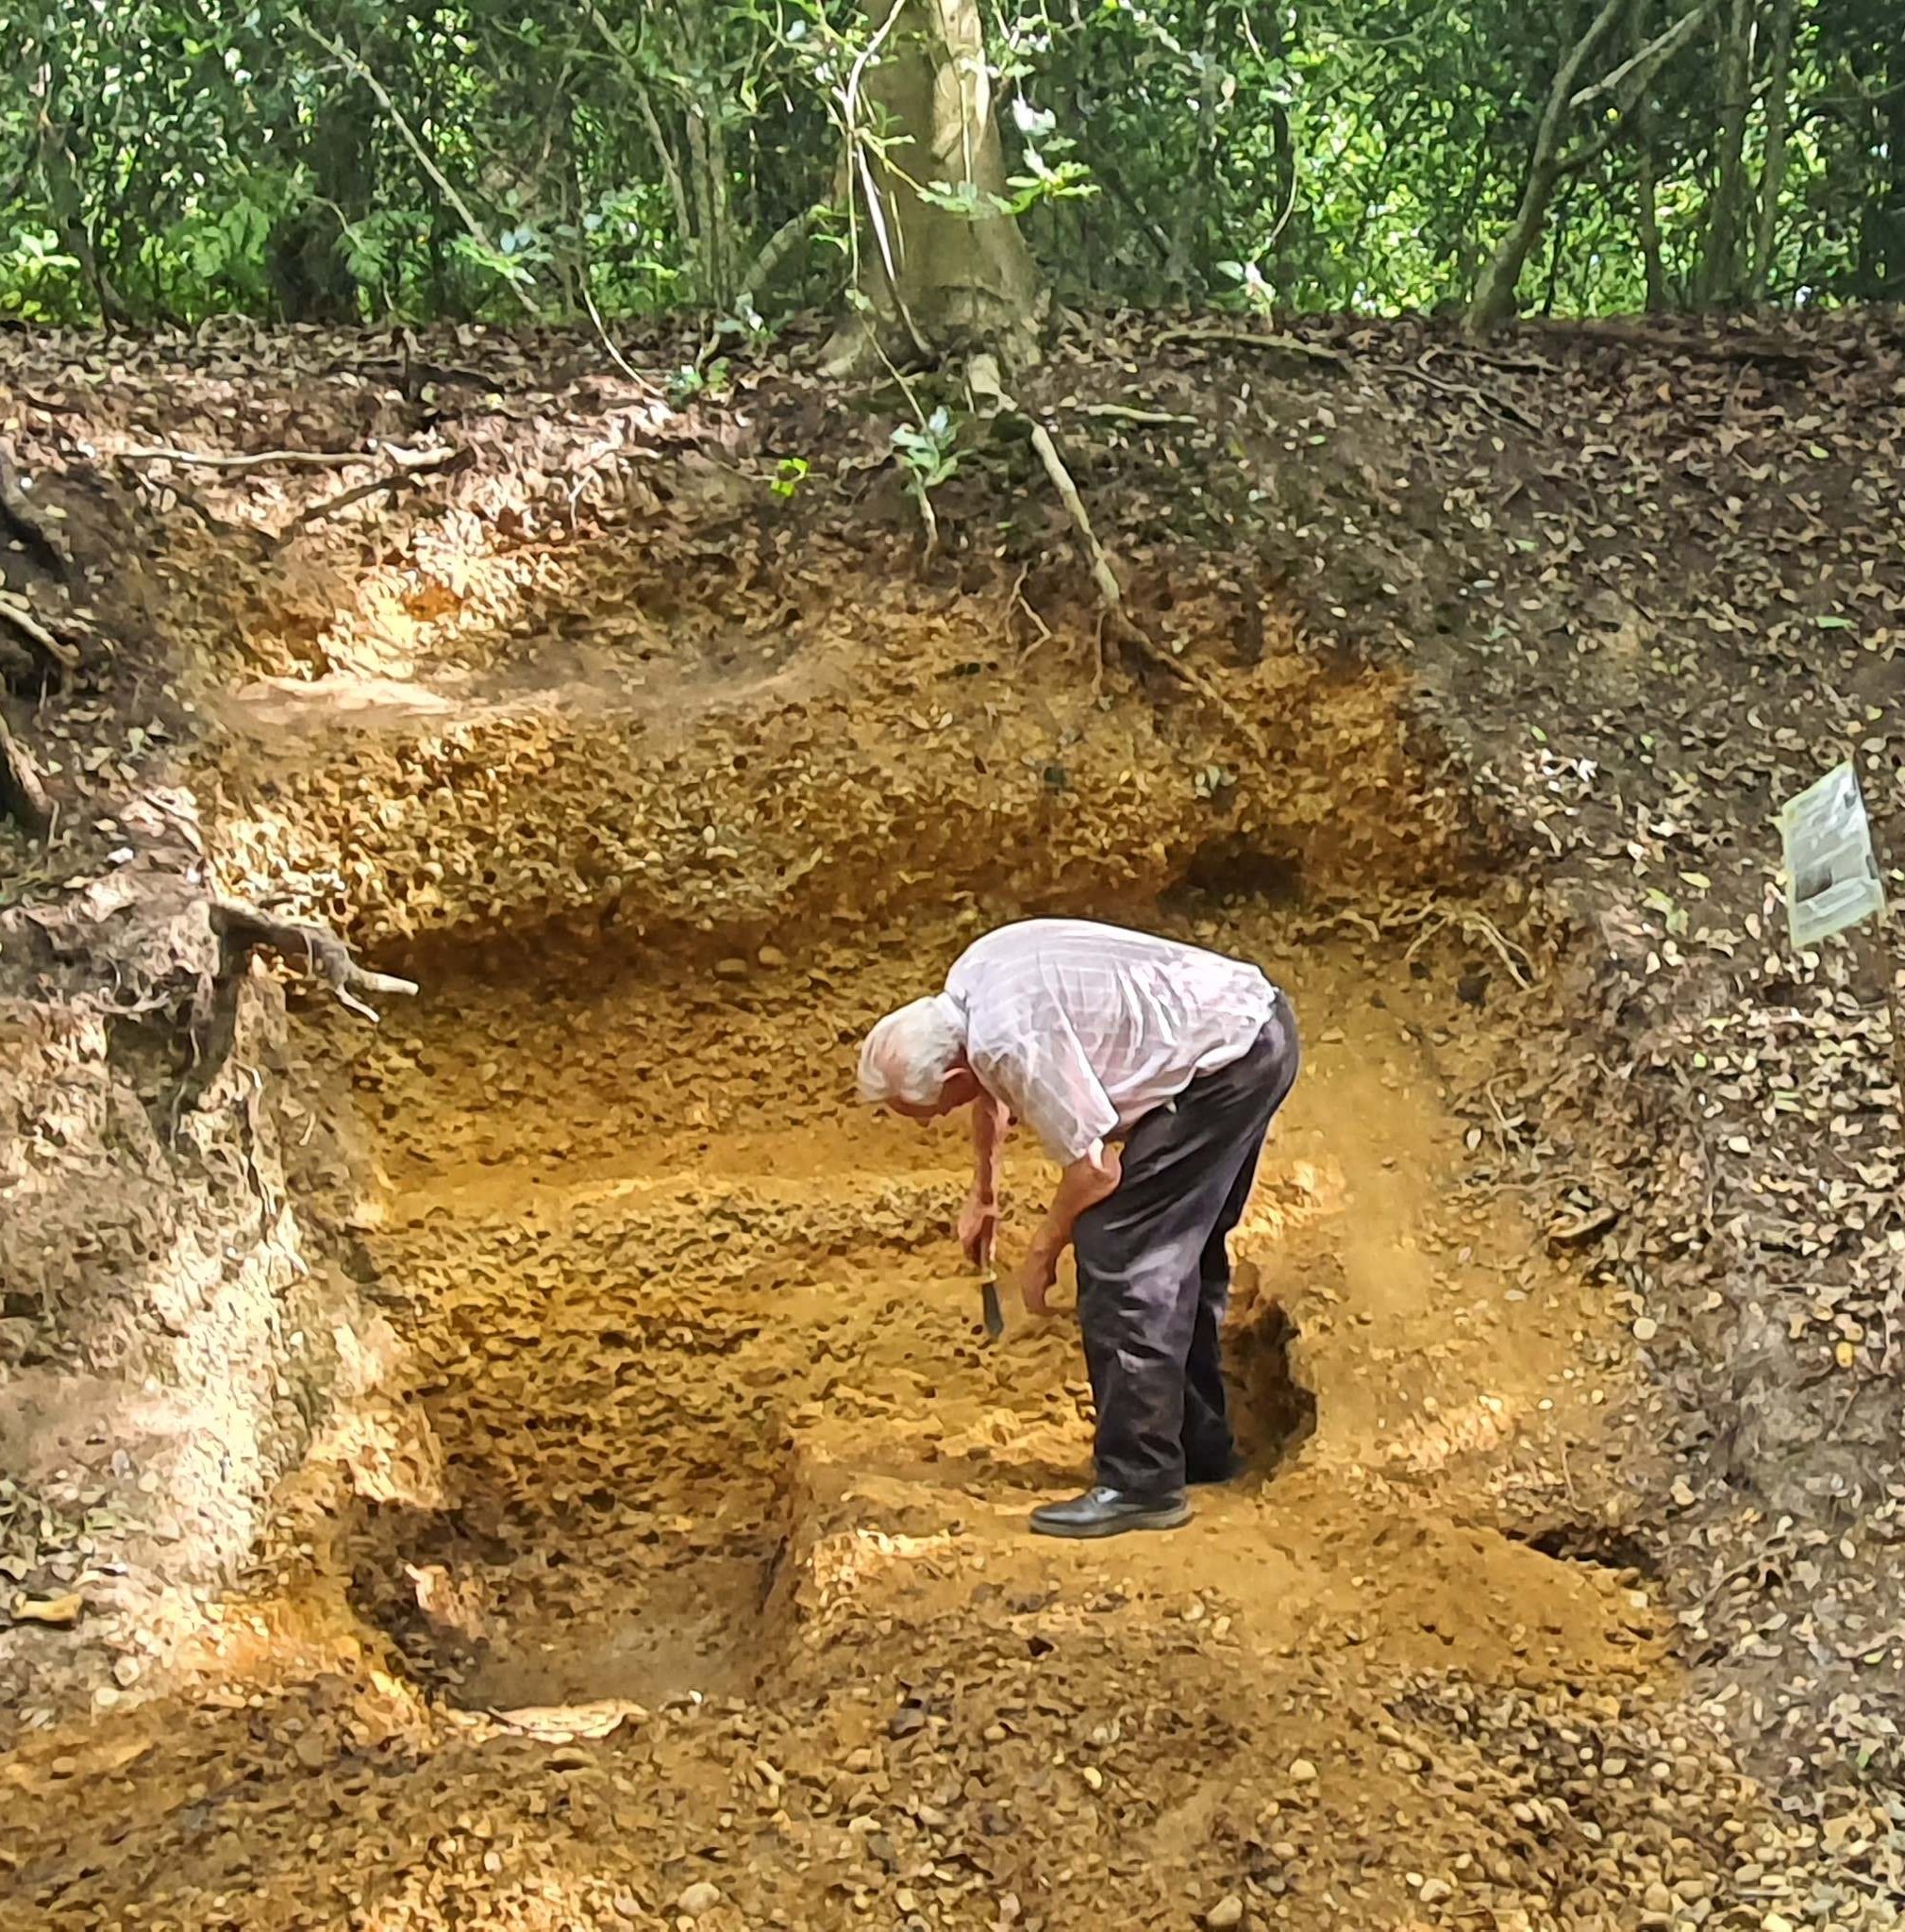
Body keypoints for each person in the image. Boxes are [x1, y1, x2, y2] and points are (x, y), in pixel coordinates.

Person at [857, 917, 1299, 1539]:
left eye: (928, 1111)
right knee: (1176, 1251)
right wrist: (984, 1194)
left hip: (1225, 1063)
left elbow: (1093, 1171)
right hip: (1248, 1031)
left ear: (953, 1075)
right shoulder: (967, 990)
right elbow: (990, 1089)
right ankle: (1197, 1447)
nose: (932, 1123)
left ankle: (1141, 1483)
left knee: (1119, 1250)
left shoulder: (1002, 1042)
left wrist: (1042, 1250)